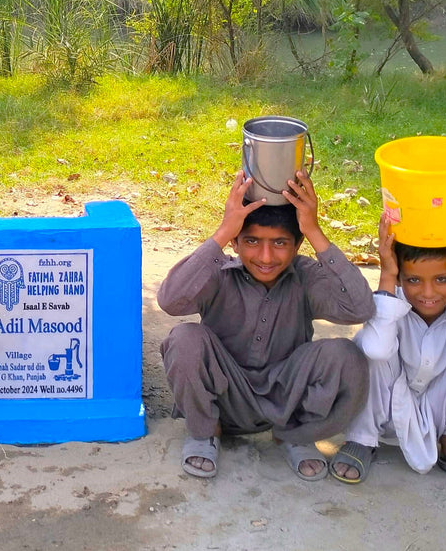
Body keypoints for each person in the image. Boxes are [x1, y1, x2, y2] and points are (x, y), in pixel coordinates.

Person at [158, 169, 375, 480]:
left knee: (346, 356)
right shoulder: (218, 271)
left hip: (287, 396)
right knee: (184, 338)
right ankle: (206, 430)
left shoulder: (305, 274)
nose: (265, 256)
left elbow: (360, 307)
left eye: (280, 243)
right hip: (225, 394)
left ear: (298, 244)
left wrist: (314, 230)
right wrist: (221, 233)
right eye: (251, 240)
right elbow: (169, 301)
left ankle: (295, 434)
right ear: (235, 241)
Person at [330, 214, 446, 495]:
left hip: (441, 415)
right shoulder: (390, 308)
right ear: (400, 277)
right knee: (373, 346)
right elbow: (376, 350)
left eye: (441, 279)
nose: (428, 292)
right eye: (413, 279)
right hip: (388, 412)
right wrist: (387, 275)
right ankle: (363, 438)